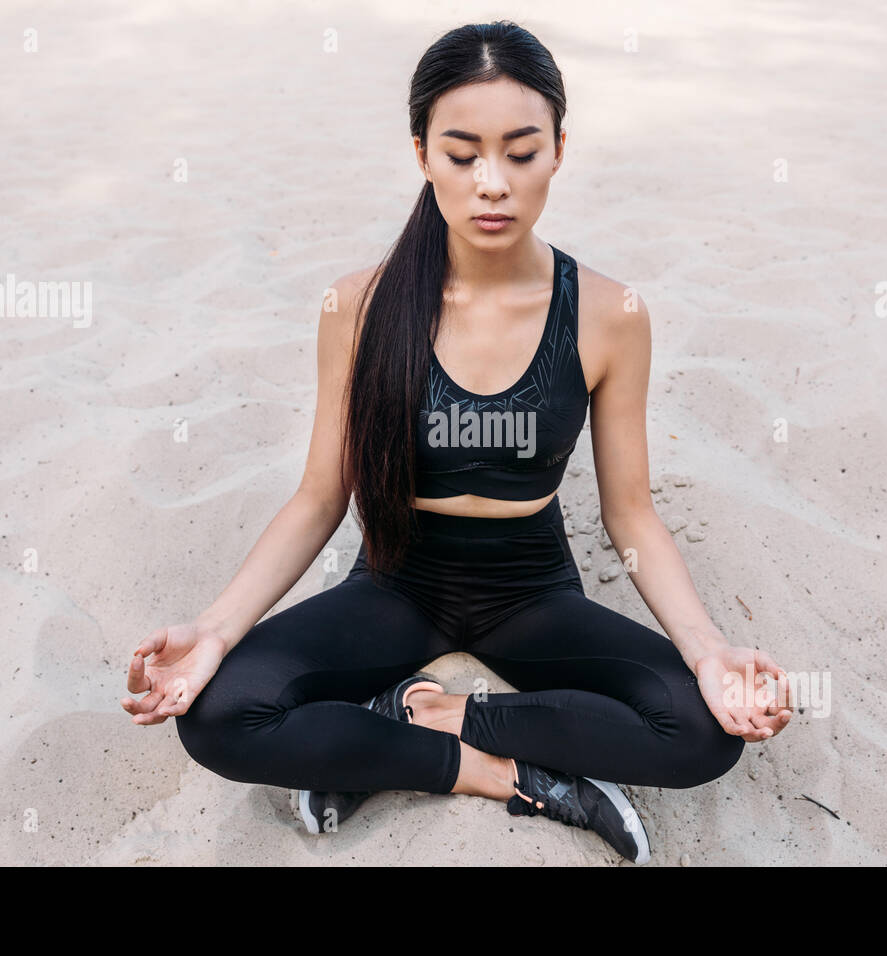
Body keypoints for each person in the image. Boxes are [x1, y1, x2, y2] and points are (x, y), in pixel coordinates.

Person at [121, 20, 792, 865]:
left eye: (520, 152)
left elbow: (632, 517)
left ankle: (427, 718)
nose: (492, 184)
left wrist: (710, 652)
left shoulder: (610, 315)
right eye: (462, 152)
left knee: (701, 734)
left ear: (557, 151)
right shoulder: (358, 308)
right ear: (421, 154)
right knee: (219, 717)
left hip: (530, 588)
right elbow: (320, 497)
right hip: (397, 582)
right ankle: (492, 772)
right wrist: (214, 632)